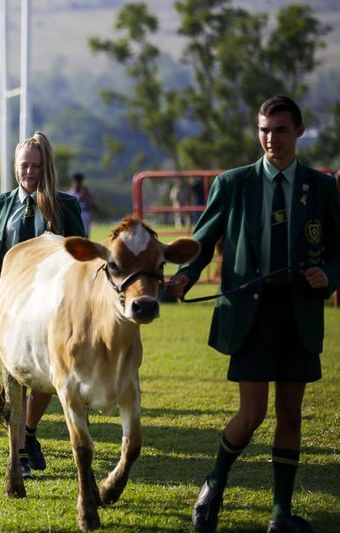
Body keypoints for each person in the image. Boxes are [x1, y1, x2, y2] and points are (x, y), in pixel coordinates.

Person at [167, 96, 340, 533]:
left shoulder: (320, 187)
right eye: (264, 129)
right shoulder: (234, 183)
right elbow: (203, 242)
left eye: (280, 130)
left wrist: (329, 274)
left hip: (298, 312)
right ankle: (213, 485)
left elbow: (339, 249)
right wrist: (187, 275)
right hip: (251, 312)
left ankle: (281, 514)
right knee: (251, 414)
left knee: (291, 415)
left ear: (299, 131)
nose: (270, 139)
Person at [0, 132, 85, 480]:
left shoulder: (64, 204)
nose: (29, 172)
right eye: (24, 165)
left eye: (36, 166)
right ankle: (20, 449)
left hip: (49, 306)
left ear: (45, 166)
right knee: (15, 378)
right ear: (15, 166)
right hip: (9, 304)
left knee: (46, 378)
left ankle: (28, 435)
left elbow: (79, 252)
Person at [67, 172, 98, 237]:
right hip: (74, 216)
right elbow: (69, 205)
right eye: (76, 182)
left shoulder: (87, 193)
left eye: (79, 182)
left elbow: (95, 208)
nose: (78, 184)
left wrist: (88, 197)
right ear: (73, 182)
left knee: (85, 236)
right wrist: (81, 195)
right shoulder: (69, 193)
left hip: (85, 216)